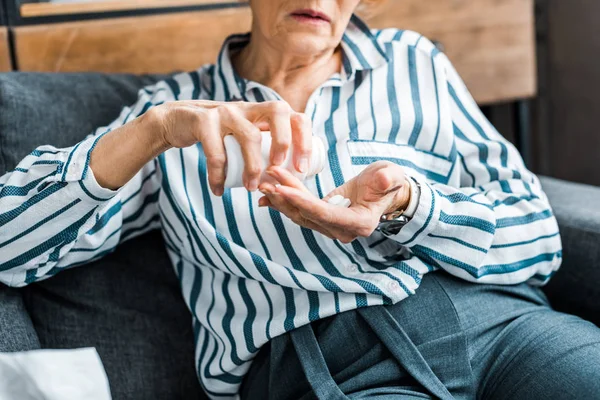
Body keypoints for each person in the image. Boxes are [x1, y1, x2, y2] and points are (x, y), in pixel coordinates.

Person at [1, 0, 600, 398]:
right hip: (320, 366)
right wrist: (149, 134)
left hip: (497, 324)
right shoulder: (175, 113)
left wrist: (408, 208)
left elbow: (538, 234)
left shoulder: (414, 64)